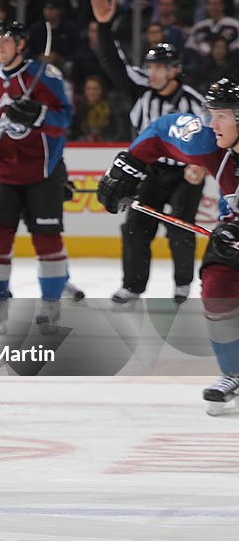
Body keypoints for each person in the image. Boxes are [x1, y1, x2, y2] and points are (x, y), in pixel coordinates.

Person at [97, 78, 239, 416]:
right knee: (217, 284)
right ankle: (232, 372)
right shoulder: (211, 146)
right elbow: (163, 129)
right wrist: (126, 168)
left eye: (222, 116)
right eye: (212, 114)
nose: (212, 123)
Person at [92, 0, 207, 304]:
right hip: (151, 172)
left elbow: (208, 142)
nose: (152, 72)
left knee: (180, 227)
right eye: (151, 67)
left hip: (185, 172)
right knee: (135, 226)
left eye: (159, 67)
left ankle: (182, 284)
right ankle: (132, 286)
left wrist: (198, 167)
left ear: (175, 70)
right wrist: (104, 26)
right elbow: (112, 63)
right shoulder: (139, 90)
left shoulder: (192, 102)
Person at [0, 19, 73, 332]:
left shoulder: (43, 75)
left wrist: (39, 115)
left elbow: (65, 120)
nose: (0, 46)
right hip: (2, 171)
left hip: (42, 171)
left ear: (21, 44)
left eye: (7, 40)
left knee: (47, 239)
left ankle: (51, 302)